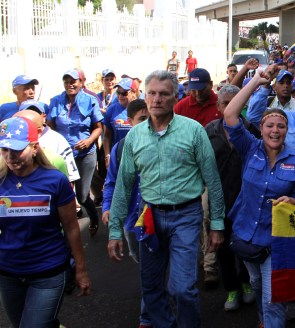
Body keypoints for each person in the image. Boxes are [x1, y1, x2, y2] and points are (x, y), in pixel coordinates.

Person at [107, 70, 225, 327]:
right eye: (152, 93)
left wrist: (216, 224)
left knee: (182, 288)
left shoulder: (193, 131)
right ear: (145, 96)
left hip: (186, 216)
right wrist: (115, 230)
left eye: (164, 94)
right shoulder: (134, 138)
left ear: (175, 98)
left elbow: (213, 182)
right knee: (150, 287)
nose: (157, 99)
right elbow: (123, 186)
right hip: (150, 218)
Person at [223, 70, 295, 328]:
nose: (275, 130)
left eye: (281, 126)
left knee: (273, 298)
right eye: (269, 125)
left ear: (286, 130)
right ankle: (262, 319)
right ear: (260, 128)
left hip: (276, 241)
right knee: (257, 284)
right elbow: (230, 114)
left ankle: (270, 321)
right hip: (246, 235)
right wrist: (255, 82)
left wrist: (294, 203)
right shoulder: (250, 147)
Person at [0, 116, 91, 327]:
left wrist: (81, 269)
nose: (10, 156)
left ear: (34, 147)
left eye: (17, 150)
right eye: (5, 150)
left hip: (48, 272)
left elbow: (71, 227)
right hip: (8, 273)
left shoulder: (55, 180)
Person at [204, 85, 257, 311]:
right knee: (223, 248)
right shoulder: (208, 132)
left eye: (234, 102)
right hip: (219, 200)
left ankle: (246, 283)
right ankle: (232, 289)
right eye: (225, 103)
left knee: (245, 246)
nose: (229, 107)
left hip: (246, 201)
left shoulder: (252, 130)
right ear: (218, 106)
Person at [101, 99, 152, 327]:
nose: (147, 123)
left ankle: (147, 316)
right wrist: (107, 207)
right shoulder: (120, 149)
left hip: (159, 219)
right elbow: (111, 182)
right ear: (130, 122)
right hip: (132, 220)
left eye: (150, 118)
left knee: (151, 267)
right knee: (143, 263)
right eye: (142, 119)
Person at [48, 68, 103, 237]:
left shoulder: (90, 100)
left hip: (85, 155)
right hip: (62, 156)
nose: (70, 84)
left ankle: (94, 218)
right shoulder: (56, 101)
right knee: (58, 193)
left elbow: (98, 129)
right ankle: (62, 230)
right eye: (66, 81)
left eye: (73, 81)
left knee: (83, 196)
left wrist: (87, 141)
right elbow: (50, 126)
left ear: (81, 83)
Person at [15, 100, 80, 183]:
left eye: (36, 112)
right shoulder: (10, 140)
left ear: (44, 117)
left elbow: (70, 178)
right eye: (28, 112)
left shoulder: (57, 140)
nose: (32, 116)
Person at [103, 78, 139, 166]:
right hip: (118, 155)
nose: (120, 96)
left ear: (133, 92)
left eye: (124, 93)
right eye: (118, 92)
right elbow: (107, 136)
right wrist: (107, 155)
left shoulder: (141, 109)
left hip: (137, 155)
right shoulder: (112, 109)